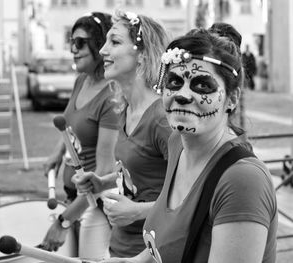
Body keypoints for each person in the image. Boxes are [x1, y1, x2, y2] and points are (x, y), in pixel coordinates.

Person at [105, 26, 278, 263]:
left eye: (203, 85)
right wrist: (132, 261)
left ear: (232, 98)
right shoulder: (178, 143)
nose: (183, 95)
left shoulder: (242, 180)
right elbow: (168, 240)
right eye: (174, 82)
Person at [72, 10, 175, 258]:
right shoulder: (125, 108)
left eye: (114, 42)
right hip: (120, 246)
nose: (102, 51)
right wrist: (103, 181)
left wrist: (138, 212)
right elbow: (138, 172)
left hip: (153, 252)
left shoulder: (162, 119)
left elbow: (192, 195)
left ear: (142, 55)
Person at [41, 12, 120, 260]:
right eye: (71, 42)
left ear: (99, 44)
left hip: (92, 204)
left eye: (80, 43)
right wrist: (57, 152)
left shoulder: (111, 97)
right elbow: (71, 126)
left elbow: (102, 170)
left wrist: (63, 221)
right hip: (73, 197)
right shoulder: (81, 81)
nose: (73, 50)